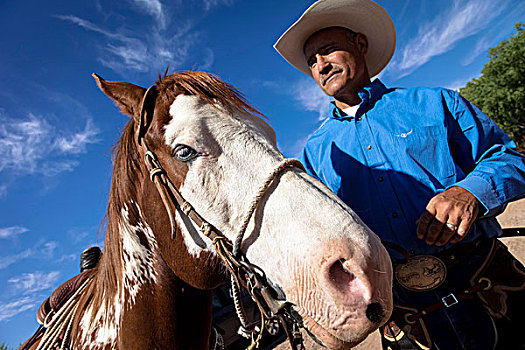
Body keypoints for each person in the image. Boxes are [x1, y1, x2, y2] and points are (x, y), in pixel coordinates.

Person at [274, 0, 525, 349]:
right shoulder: (315, 154)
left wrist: (470, 193)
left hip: (488, 284)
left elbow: (508, 159)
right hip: (404, 316)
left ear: (360, 45)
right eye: (312, 60)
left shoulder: (437, 102)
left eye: (328, 50)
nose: (320, 64)